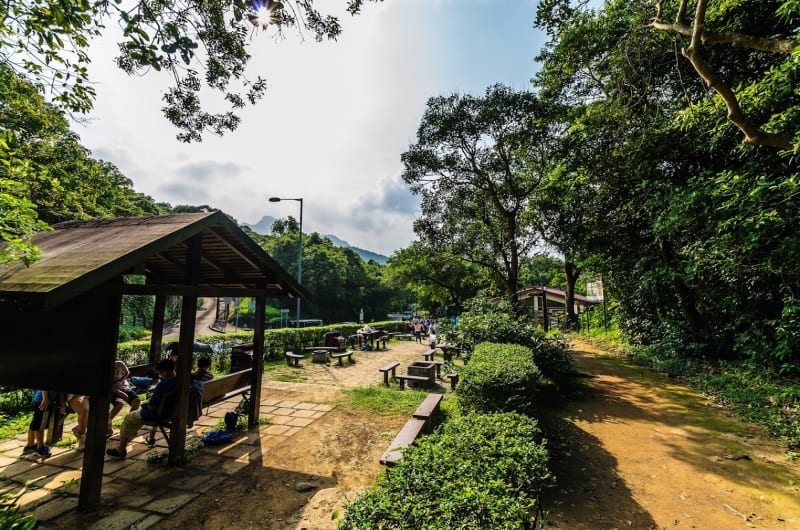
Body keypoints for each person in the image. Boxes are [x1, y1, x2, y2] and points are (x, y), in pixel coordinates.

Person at [106, 359, 177, 458]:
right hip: (173, 412)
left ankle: (120, 450)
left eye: (160, 373)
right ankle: (148, 437)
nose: (160, 376)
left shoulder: (162, 385)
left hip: (158, 414)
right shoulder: (180, 381)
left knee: (128, 418)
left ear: (165, 371)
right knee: (137, 408)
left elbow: (151, 406)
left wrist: (145, 405)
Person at [23, 390, 63, 458]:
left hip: (41, 399)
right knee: (41, 425)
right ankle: (40, 448)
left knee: (36, 422)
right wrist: (45, 398)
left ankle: (30, 445)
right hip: (44, 401)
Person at [108, 360, 141, 437]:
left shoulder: (119, 363)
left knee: (136, 401)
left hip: (124, 387)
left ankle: (129, 423)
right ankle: (108, 422)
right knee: (120, 404)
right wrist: (119, 392)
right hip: (112, 390)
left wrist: (121, 381)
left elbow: (127, 372)